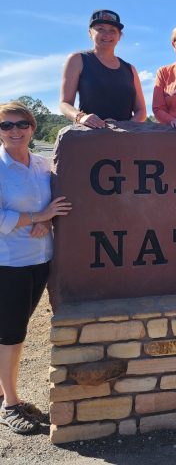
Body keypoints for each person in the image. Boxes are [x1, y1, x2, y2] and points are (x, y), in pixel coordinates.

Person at [0, 102, 71, 434]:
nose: (15, 130)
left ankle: (5, 392)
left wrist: (48, 218)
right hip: (9, 263)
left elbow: (56, 201)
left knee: (16, 329)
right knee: (11, 334)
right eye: (6, 125)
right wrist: (37, 217)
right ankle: (10, 404)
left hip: (40, 259)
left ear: (32, 127)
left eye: (21, 124)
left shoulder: (43, 165)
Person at [59, 9, 147, 128]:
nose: (107, 35)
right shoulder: (77, 60)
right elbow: (64, 104)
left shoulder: (130, 69)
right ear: (90, 32)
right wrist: (81, 117)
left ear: (119, 36)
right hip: (90, 137)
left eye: (113, 30)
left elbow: (141, 111)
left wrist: (124, 127)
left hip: (126, 140)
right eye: (100, 29)